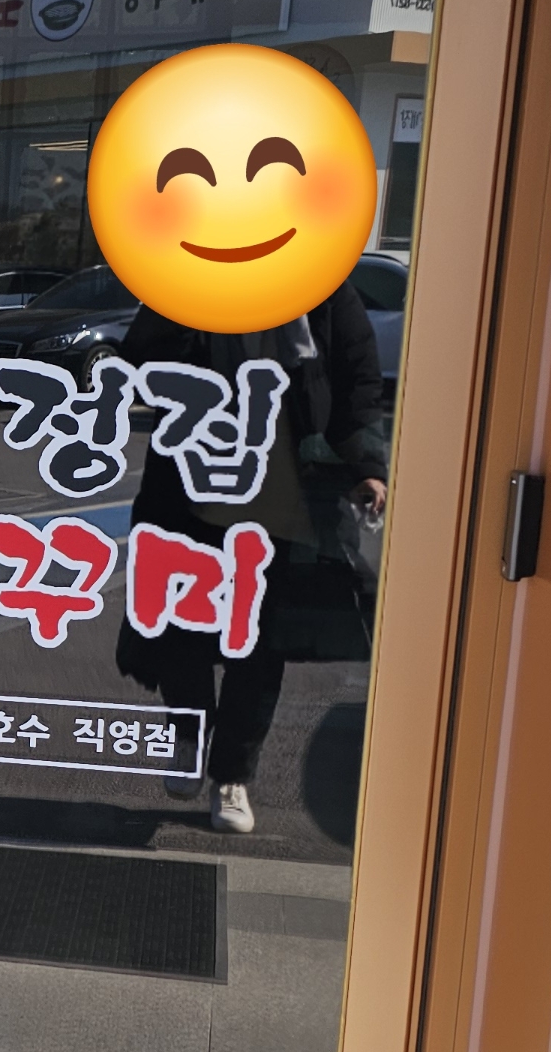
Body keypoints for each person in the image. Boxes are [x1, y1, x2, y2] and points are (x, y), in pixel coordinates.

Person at [116, 280, 388, 834]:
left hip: (283, 498)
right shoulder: (191, 279)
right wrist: (188, 302)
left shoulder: (323, 288)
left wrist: (366, 466)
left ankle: (232, 776)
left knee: (259, 648)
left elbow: (356, 380)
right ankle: (189, 734)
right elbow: (141, 359)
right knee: (178, 627)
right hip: (192, 488)